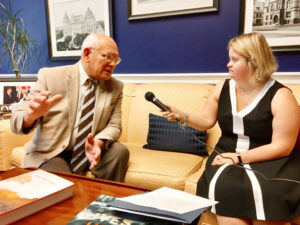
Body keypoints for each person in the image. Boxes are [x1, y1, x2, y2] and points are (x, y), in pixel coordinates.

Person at [161, 32, 299, 225]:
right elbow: (206, 120)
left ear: (254, 61)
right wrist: (182, 115)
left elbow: (282, 146)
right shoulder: (221, 87)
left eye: (234, 59)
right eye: (229, 59)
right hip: (225, 154)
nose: (228, 64)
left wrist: (239, 158)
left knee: (270, 193)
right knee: (226, 186)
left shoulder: (282, 96)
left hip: (271, 159)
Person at [10, 33, 129, 182]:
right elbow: (16, 120)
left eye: (115, 59)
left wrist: (98, 143)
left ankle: (103, 200)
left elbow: (115, 125)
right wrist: (29, 116)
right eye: (108, 57)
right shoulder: (50, 77)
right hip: (53, 152)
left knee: (119, 151)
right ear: (87, 54)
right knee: (67, 187)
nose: (113, 64)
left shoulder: (116, 86)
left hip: (89, 151)